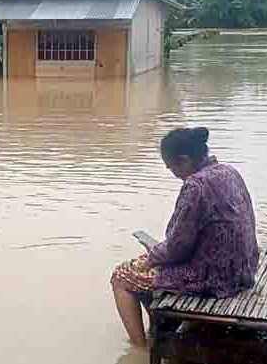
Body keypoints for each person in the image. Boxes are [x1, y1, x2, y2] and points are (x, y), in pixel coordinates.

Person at [110, 127, 259, 347]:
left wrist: (150, 259)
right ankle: (159, 324)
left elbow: (177, 247)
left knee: (121, 277)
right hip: (244, 269)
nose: (172, 172)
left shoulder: (195, 186)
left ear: (185, 160)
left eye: (171, 167)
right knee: (147, 263)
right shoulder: (229, 172)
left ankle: (140, 348)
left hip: (215, 278)